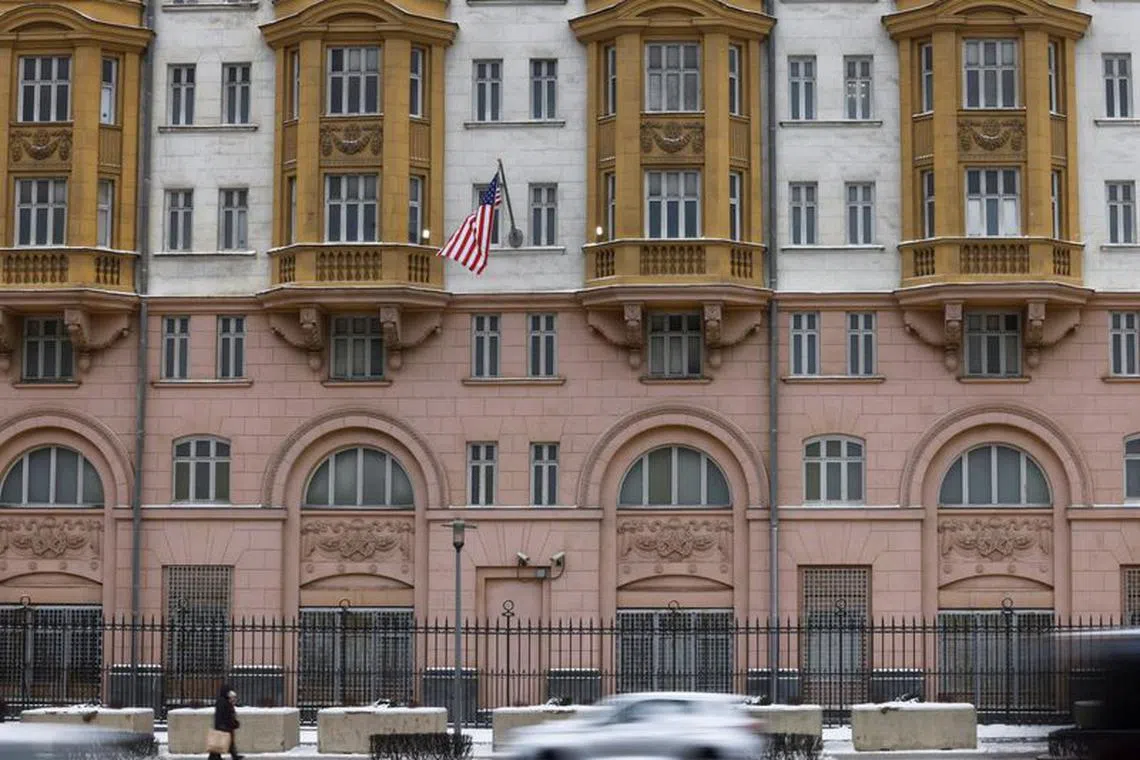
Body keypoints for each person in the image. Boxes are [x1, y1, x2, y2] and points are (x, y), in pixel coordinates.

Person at [208, 684, 243, 760]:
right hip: (224, 725)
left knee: (225, 741)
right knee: (220, 741)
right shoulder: (223, 702)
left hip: (224, 725)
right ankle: (214, 757)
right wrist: (233, 723)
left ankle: (231, 755)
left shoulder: (224, 701)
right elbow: (226, 714)